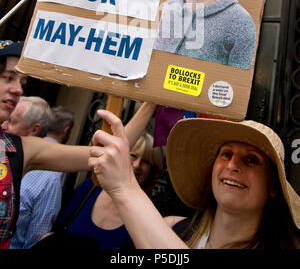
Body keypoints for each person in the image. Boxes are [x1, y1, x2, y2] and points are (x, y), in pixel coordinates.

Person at [89, 110, 300, 249]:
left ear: (272, 186)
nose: (232, 165)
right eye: (226, 154)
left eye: (252, 160)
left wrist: (124, 186)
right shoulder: (172, 227)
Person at [32, 102, 163, 250]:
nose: (137, 165)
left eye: (146, 162)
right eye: (133, 156)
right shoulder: (91, 187)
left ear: (153, 170)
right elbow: (56, 230)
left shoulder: (150, 214)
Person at [0, 40, 90, 249]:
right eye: (8, 78)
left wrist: (148, 101)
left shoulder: (16, 149)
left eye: (22, 82)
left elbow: (97, 155)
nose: (18, 90)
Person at [7, 104, 75, 249]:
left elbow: (37, 236)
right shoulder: (52, 173)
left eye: (12, 121)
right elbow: (37, 236)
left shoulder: (48, 172)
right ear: (67, 130)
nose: (5, 126)